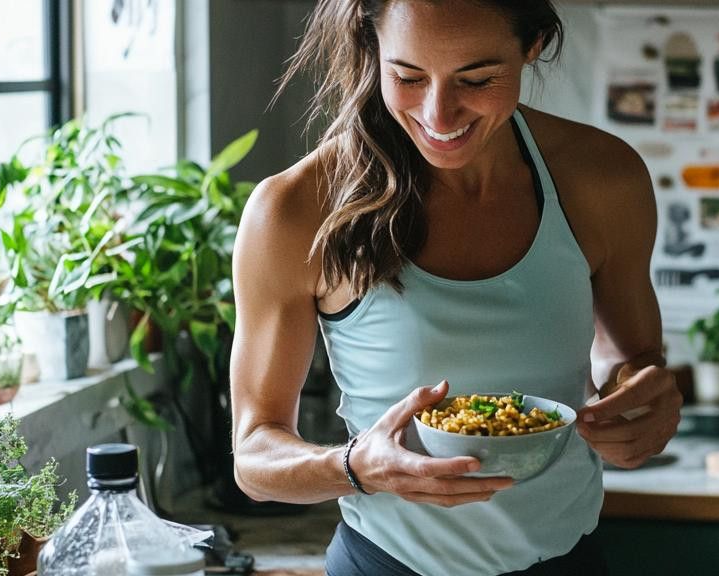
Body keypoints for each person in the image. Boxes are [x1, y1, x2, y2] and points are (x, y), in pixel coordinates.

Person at [229, 1, 682, 574]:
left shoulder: (603, 177)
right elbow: (254, 457)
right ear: (372, 48)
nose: (439, 113)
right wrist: (357, 467)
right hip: (387, 565)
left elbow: (630, 356)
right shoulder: (295, 209)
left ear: (533, 46)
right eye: (407, 76)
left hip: (567, 562)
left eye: (477, 78)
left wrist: (640, 398)